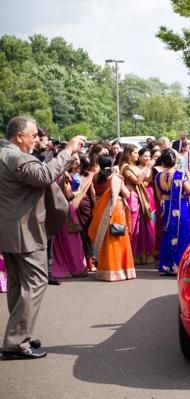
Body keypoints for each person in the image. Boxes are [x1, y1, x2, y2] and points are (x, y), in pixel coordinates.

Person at [0, 115, 86, 360]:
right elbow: (44, 176)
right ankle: (16, 342)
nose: (36, 139)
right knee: (36, 282)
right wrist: (68, 151)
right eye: (33, 135)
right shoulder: (15, 156)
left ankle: (20, 335)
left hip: (10, 230)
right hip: (24, 231)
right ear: (19, 137)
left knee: (18, 283)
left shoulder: (5, 154)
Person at [88, 154, 135, 282]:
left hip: (100, 209)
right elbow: (127, 194)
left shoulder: (95, 178)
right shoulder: (114, 178)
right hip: (115, 209)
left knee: (105, 238)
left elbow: (95, 193)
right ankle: (120, 270)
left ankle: (105, 270)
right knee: (117, 236)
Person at [155, 149, 190, 275]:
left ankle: (166, 265)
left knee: (167, 234)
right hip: (180, 207)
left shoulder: (157, 176)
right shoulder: (180, 175)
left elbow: (159, 196)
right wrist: (188, 178)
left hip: (166, 208)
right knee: (182, 234)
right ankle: (179, 265)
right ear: (175, 160)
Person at [50, 152, 88, 279]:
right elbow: (68, 195)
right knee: (71, 240)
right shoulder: (64, 175)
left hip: (54, 210)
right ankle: (75, 268)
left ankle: (61, 268)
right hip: (66, 209)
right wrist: (76, 191)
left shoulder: (52, 173)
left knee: (58, 243)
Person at [119, 145, 156, 264]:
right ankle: (129, 255)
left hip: (138, 196)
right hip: (131, 197)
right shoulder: (126, 167)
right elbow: (138, 181)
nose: (136, 155)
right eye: (135, 152)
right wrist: (147, 167)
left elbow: (147, 180)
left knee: (141, 226)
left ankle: (139, 255)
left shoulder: (134, 167)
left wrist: (153, 171)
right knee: (133, 226)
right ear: (129, 154)